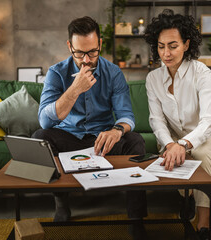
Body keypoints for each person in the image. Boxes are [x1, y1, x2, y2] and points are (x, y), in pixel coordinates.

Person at [32, 16, 147, 238]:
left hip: (101, 140)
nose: (86, 60)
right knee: (40, 137)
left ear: (100, 44)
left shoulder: (113, 73)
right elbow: (45, 121)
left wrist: (117, 130)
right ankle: (61, 206)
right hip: (68, 138)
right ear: (69, 47)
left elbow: (127, 116)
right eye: (79, 53)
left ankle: (136, 218)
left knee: (136, 141)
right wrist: (75, 89)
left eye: (92, 52)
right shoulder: (56, 73)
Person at [144, 9, 211, 240]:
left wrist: (183, 143)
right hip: (174, 139)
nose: (166, 53)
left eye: (173, 45)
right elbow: (157, 120)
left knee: (199, 152)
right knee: (170, 156)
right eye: (161, 46)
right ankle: (188, 197)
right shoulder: (153, 79)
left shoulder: (201, 72)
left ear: (186, 44)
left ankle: (203, 225)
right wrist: (171, 144)